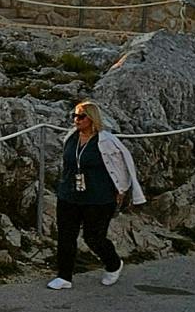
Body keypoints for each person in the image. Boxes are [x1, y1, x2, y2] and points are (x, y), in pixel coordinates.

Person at [48, 100, 145, 290]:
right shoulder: (71, 137)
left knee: (93, 237)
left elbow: (122, 166)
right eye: (74, 116)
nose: (76, 120)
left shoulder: (107, 141)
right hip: (69, 194)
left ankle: (113, 263)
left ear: (92, 118)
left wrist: (122, 190)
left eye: (81, 116)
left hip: (99, 197)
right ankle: (64, 276)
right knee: (66, 236)